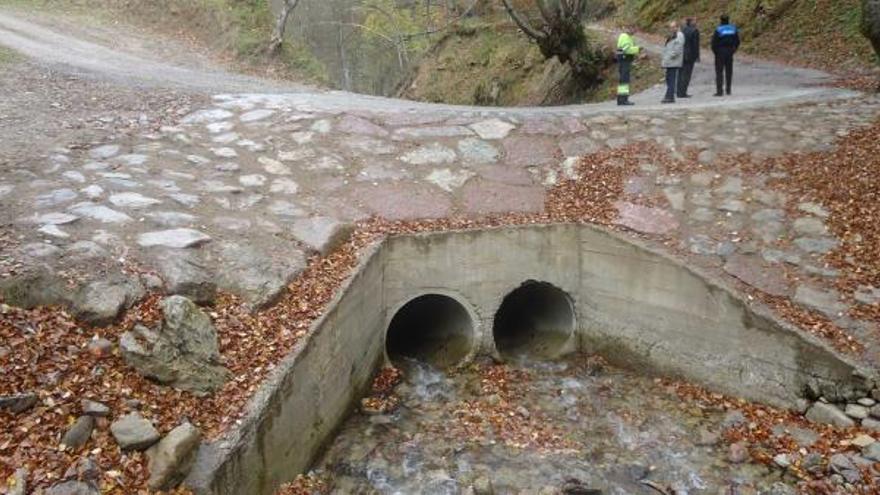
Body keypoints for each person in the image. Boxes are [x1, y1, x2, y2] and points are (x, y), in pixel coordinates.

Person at [711, 14, 740, 96]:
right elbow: (737, 41)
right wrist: (734, 50)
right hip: (730, 51)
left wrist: (716, 52)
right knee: (729, 71)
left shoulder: (719, 29)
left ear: (721, 20)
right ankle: (728, 90)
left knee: (719, 72)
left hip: (720, 51)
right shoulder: (733, 29)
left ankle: (719, 91)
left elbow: (714, 43)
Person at [616, 26, 640, 106]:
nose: (635, 31)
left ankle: (620, 99)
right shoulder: (625, 37)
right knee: (624, 81)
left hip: (623, 60)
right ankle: (624, 99)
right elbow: (627, 49)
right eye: (634, 29)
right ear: (629, 29)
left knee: (622, 80)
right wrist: (637, 49)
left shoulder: (626, 36)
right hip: (624, 60)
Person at [661, 21, 684, 104]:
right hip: (669, 61)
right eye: (670, 27)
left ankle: (670, 96)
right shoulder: (672, 35)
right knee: (668, 79)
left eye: (673, 27)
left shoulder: (679, 35)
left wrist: (669, 57)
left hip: (673, 61)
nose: (671, 29)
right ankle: (669, 95)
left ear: (677, 27)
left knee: (671, 79)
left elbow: (677, 49)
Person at [678, 17, 700, 98]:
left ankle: (678, 91)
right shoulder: (694, 31)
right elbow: (695, 45)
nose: (696, 22)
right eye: (694, 21)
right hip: (690, 55)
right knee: (687, 74)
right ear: (691, 23)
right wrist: (697, 56)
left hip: (681, 54)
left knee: (680, 73)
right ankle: (683, 92)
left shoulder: (682, 30)